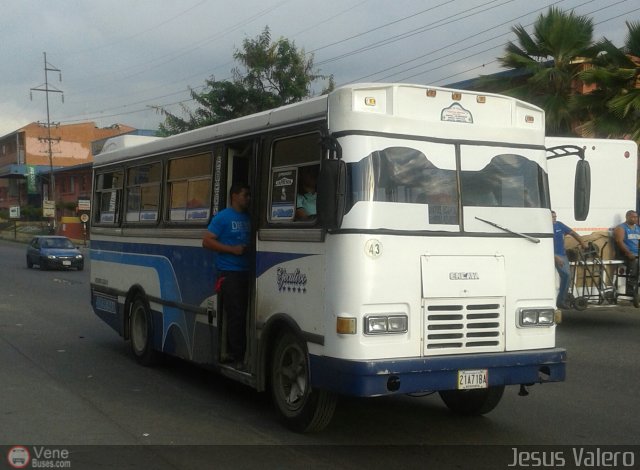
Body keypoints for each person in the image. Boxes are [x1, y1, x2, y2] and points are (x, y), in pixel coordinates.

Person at [202, 183, 251, 369]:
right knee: (236, 314)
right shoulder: (223, 217)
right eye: (245, 194)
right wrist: (232, 250)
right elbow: (206, 241)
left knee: (244, 314)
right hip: (230, 272)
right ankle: (236, 356)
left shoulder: (249, 217)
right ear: (234, 196)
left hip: (248, 271)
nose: (248, 198)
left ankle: (241, 353)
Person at [552, 210, 586, 309]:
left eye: (555, 216)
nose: (554, 218)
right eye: (552, 217)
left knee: (567, 276)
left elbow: (573, 233)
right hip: (550, 254)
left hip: (561, 254)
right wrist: (555, 257)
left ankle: (561, 300)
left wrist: (582, 242)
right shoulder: (544, 227)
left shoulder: (559, 225)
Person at [613, 209, 640, 294]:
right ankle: (630, 288)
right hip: (625, 254)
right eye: (633, 217)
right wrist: (628, 253)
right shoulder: (621, 228)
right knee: (636, 263)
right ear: (627, 217)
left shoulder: (638, 228)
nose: (635, 219)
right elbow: (619, 241)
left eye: (636, 217)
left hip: (637, 253)